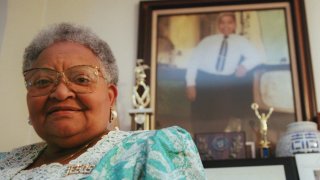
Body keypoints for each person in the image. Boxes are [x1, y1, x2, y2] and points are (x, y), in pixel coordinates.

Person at [0, 23, 205, 179]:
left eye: (81, 79)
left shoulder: (152, 149)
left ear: (110, 97)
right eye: (43, 81)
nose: (61, 93)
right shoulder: (5, 164)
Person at [185, 12, 262, 133]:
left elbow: (257, 57)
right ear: (218, 25)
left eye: (229, 22)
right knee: (200, 117)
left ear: (235, 24)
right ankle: (199, 145)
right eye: (222, 22)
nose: (225, 26)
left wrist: (244, 66)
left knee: (221, 117)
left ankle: (213, 145)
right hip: (204, 80)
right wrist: (190, 84)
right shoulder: (207, 41)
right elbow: (194, 61)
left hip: (225, 83)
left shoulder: (241, 41)